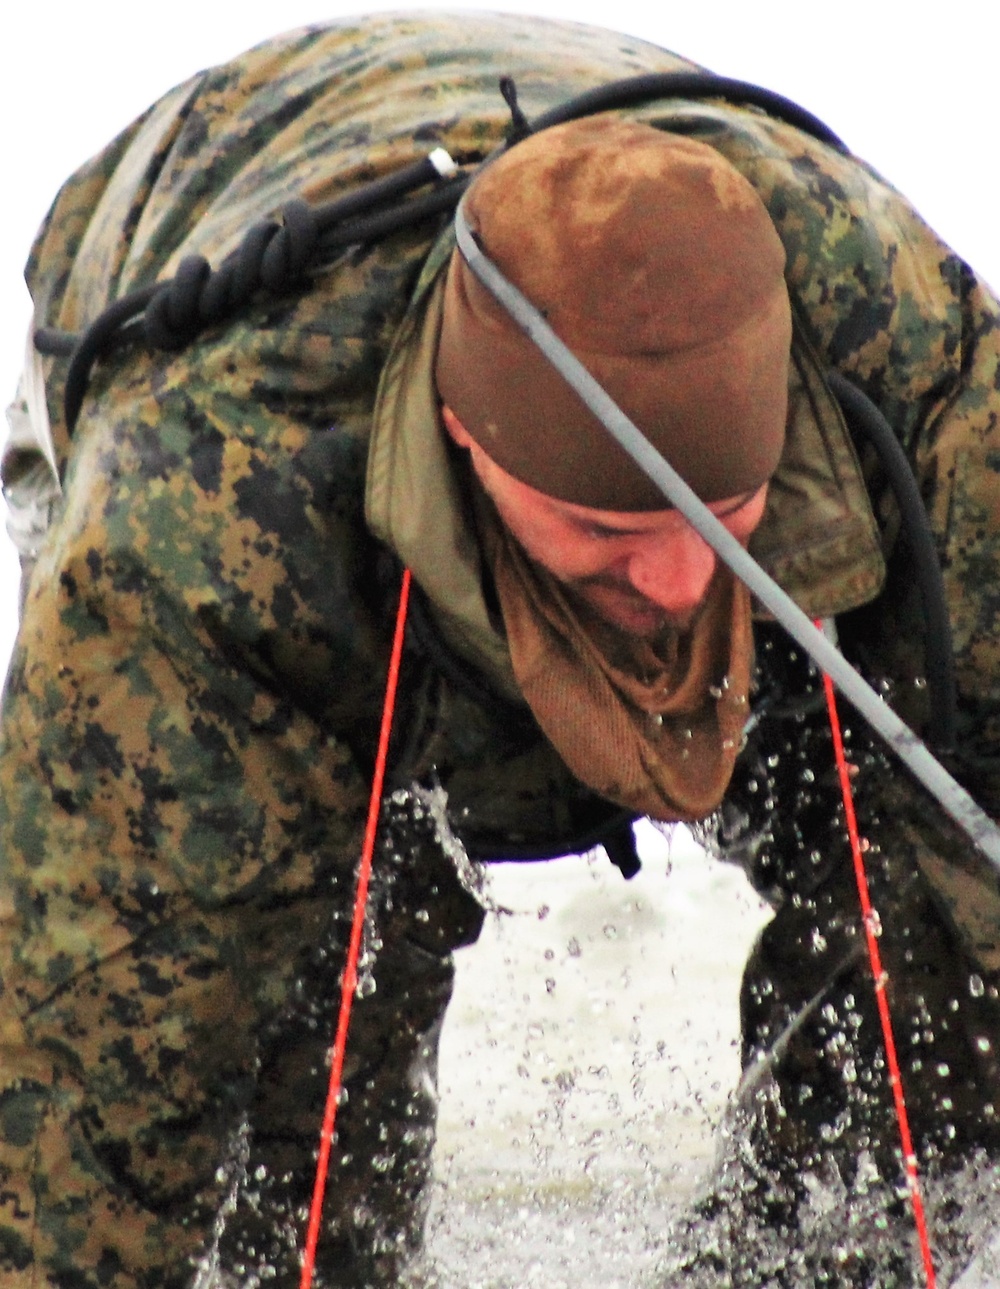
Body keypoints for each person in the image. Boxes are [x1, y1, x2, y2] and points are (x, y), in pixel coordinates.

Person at [2, 10, 1000, 1287]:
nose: (684, 580)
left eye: (723, 513)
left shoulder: (934, 399)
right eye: (607, 524)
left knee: (943, 945)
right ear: (471, 441)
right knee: (301, 1042)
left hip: (678, 217)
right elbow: (76, 1119)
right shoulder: (202, 531)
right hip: (195, 243)